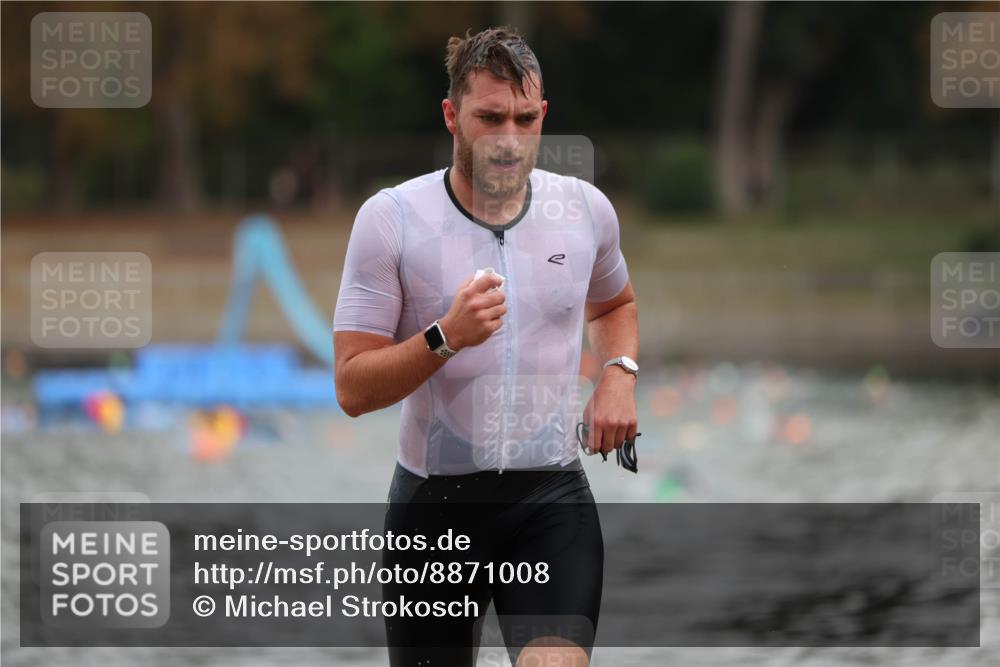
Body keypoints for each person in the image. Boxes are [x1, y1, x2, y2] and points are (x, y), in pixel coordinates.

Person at [333, 26, 639, 667]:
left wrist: (617, 374)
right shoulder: (392, 219)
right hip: (433, 510)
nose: (508, 139)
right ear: (452, 116)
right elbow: (353, 388)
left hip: (550, 500)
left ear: (543, 116)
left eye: (525, 119)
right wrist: (445, 338)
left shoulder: (585, 211)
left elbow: (614, 305)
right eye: (489, 117)